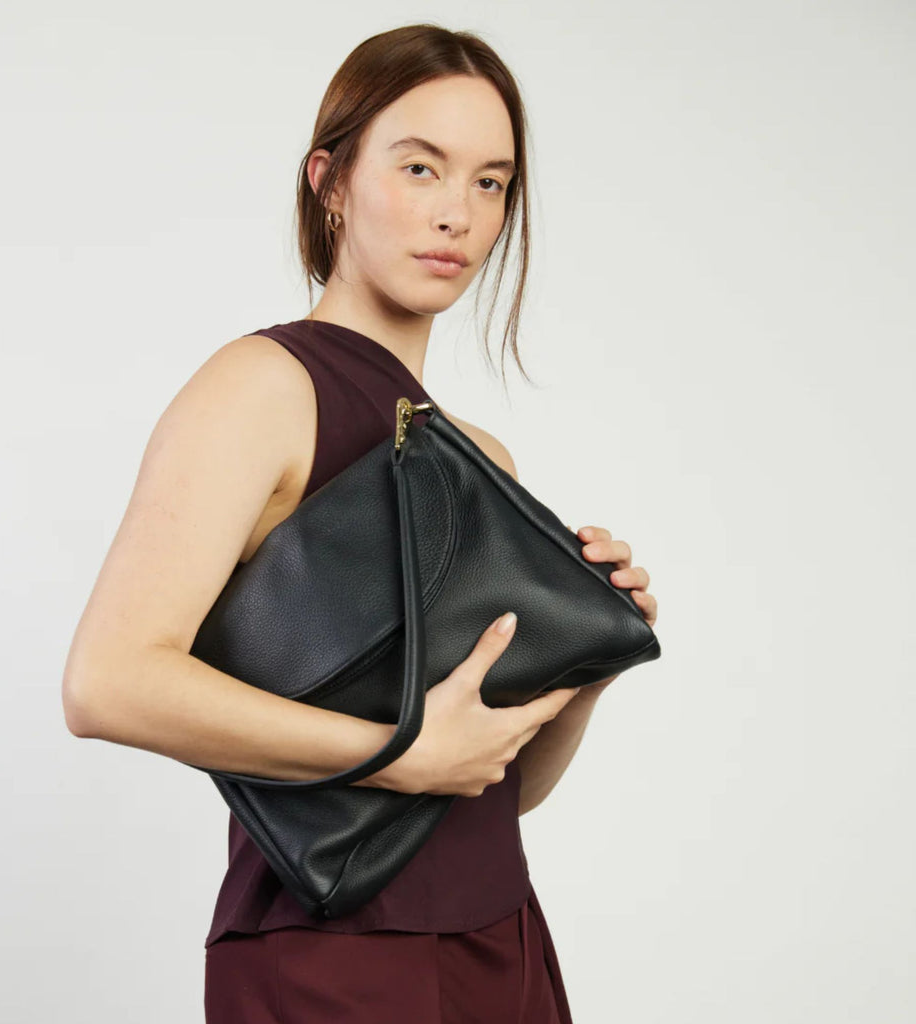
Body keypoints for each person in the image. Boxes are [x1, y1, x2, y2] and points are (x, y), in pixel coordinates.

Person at [62, 22, 658, 1024]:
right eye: (420, 167)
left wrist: (583, 665)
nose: (455, 214)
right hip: (331, 951)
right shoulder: (262, 386)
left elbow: (491, 786)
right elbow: (106, 681)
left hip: (499, 940)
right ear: (329, 181)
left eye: (489, 183)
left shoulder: (476, 454)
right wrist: (400, 750)